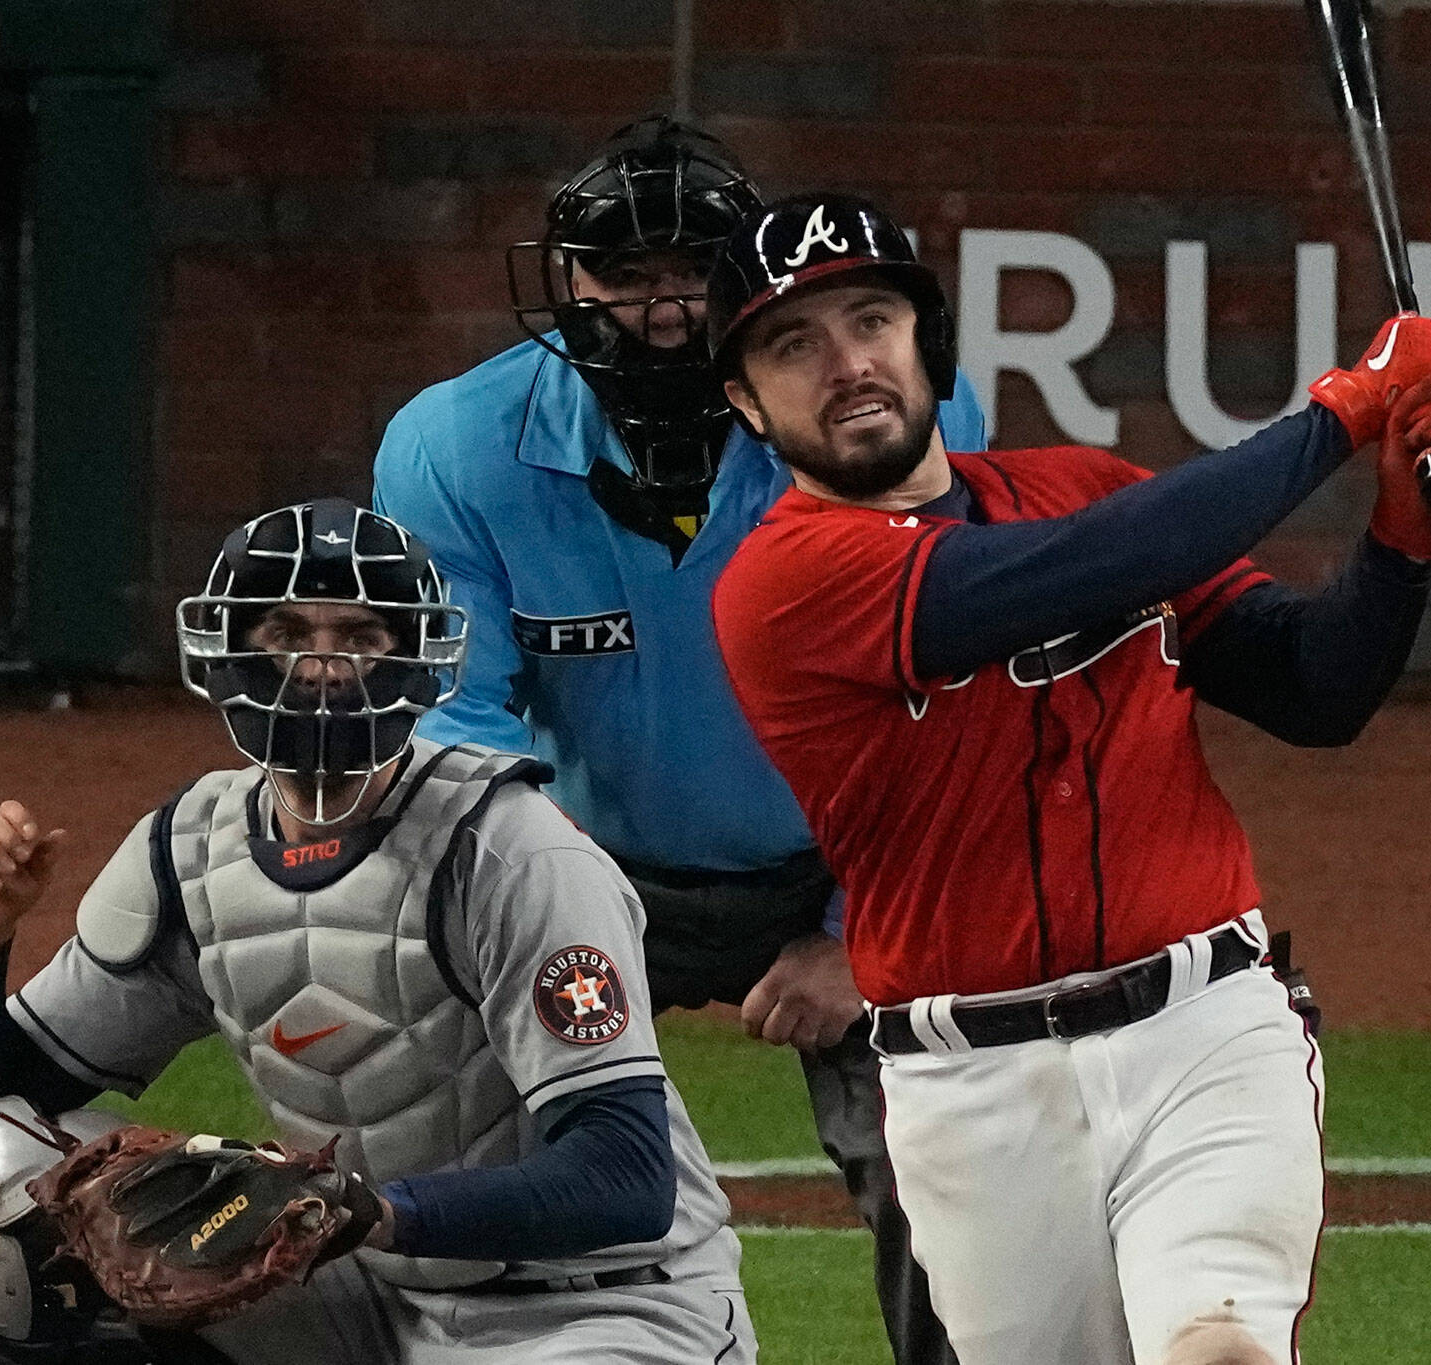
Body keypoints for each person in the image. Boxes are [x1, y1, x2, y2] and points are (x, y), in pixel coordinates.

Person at [706, 194, 1431, 1365]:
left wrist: (1402, 541)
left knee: (1215, 1348)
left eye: (869, 319)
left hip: (1205, 1032)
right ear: (745, 401)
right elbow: (1093, 565)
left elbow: (1312, 689)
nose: (844, 363)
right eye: (792, 345)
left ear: (925, 336)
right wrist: (1344, 410)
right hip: (970, 1093)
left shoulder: (1076, 485)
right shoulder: (781, 584)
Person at [373, 115, 983, 1365]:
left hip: (845, 849)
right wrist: (544, 916)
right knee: (467, 1127)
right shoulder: (455, 444)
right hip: (590, 859)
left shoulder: (894, 415)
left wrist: (853, 938)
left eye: (691, 273)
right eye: (622, 275)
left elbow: (947, 698)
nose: (659, 311)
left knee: (949, 1174)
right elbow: (460, 723)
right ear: (568, 281)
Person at [0, 498, 756, 1364]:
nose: (320, 666)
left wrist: (374, 1211)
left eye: (358, 637)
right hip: (380, 1303)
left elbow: (627, 1177)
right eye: (287, 634)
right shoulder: (189, 851)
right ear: (232, 653)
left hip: (605, 1307)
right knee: (28, 1194)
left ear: (416, 659)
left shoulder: (509, 848)